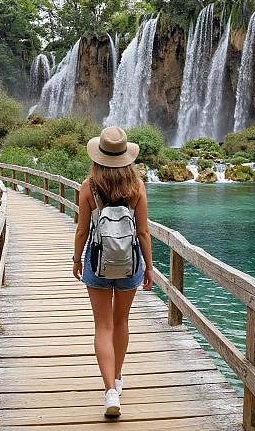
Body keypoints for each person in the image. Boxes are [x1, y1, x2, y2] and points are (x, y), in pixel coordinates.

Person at [72, 126, 154, 418]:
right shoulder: (137, 187)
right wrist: (149, 266)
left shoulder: (89, 186)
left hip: (97, 261)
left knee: (102, 326)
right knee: (121, 323)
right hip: (130, 262)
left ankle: (108, 391)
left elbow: (82, 230)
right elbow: (143, 233)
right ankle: (117, 379)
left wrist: (76, 259)